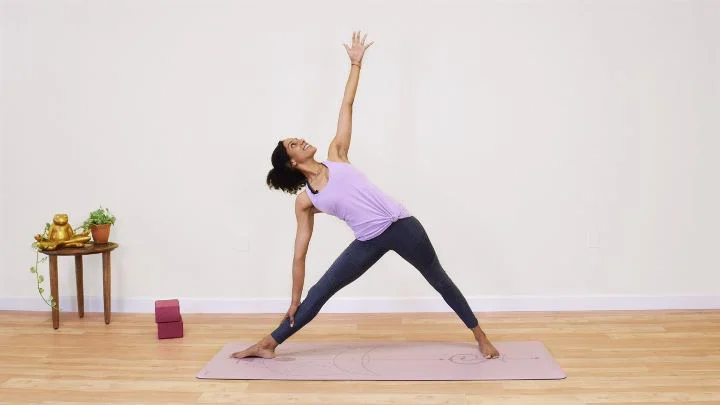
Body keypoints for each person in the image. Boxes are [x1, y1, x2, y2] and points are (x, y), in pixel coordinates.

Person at [232, 31, 500, 360]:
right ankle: (268, 344)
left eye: (297, 138)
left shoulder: (337, 153)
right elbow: (299, 255)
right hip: (367, 240)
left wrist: (356, 63)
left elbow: (347, 105)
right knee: (320, 292)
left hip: (403, 227)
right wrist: (293, 298)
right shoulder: (306, 201)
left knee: (439, 280)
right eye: (293, 144)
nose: (300, 140)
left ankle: (480, 335)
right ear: (291, 162)